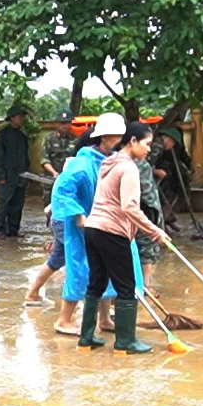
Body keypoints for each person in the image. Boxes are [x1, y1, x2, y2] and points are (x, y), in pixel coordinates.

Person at [82, 122, 171, 353]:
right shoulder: (129, 168)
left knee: (97, 282)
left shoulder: (108, 162)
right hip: (111, 231)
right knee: (126, 286)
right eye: (147, 144)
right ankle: (125, 342)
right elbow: (130, 208)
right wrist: (155, 231)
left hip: (93, 228)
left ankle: (86, 339)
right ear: (132, 141)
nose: (149, 149)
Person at [50, 113, 127, 335]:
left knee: (106, 270)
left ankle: (104, 319)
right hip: (83, 229)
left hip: (105, 225)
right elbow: (62, 192)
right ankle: (63, 320)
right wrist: (78, 214)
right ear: (106, 136)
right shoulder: (82, 164)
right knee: (80, 271)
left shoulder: (111, 161)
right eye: (117, 134)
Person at [0, 106, 32, 239]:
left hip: (21, 176)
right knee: (4, 204)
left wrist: (26, 174)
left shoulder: (22, 137)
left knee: (17, 205)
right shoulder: (2, 135)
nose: (22, 120)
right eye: (20, 117)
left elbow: (26, 157)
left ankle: (13, 230)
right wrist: (1, 176)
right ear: (12, 118)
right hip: (8, 176)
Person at [134, 122, 165, 288]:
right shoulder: (139, 165)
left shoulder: (112, 161)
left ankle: (142, 286)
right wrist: (154, 224)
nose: (149, 150)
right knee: (147, 248)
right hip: (142, 213)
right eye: (146, 144)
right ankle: (145, 286)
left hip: (135, 214)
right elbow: (147, 195)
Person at [40, 114, 77, 178]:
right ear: (56, 124)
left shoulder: (75, 140)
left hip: (69, 178)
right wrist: (54, 172)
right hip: (51, 177)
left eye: (67, 123)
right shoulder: (49, 139)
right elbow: (44, 159)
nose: (65, 126)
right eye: (62, 123)